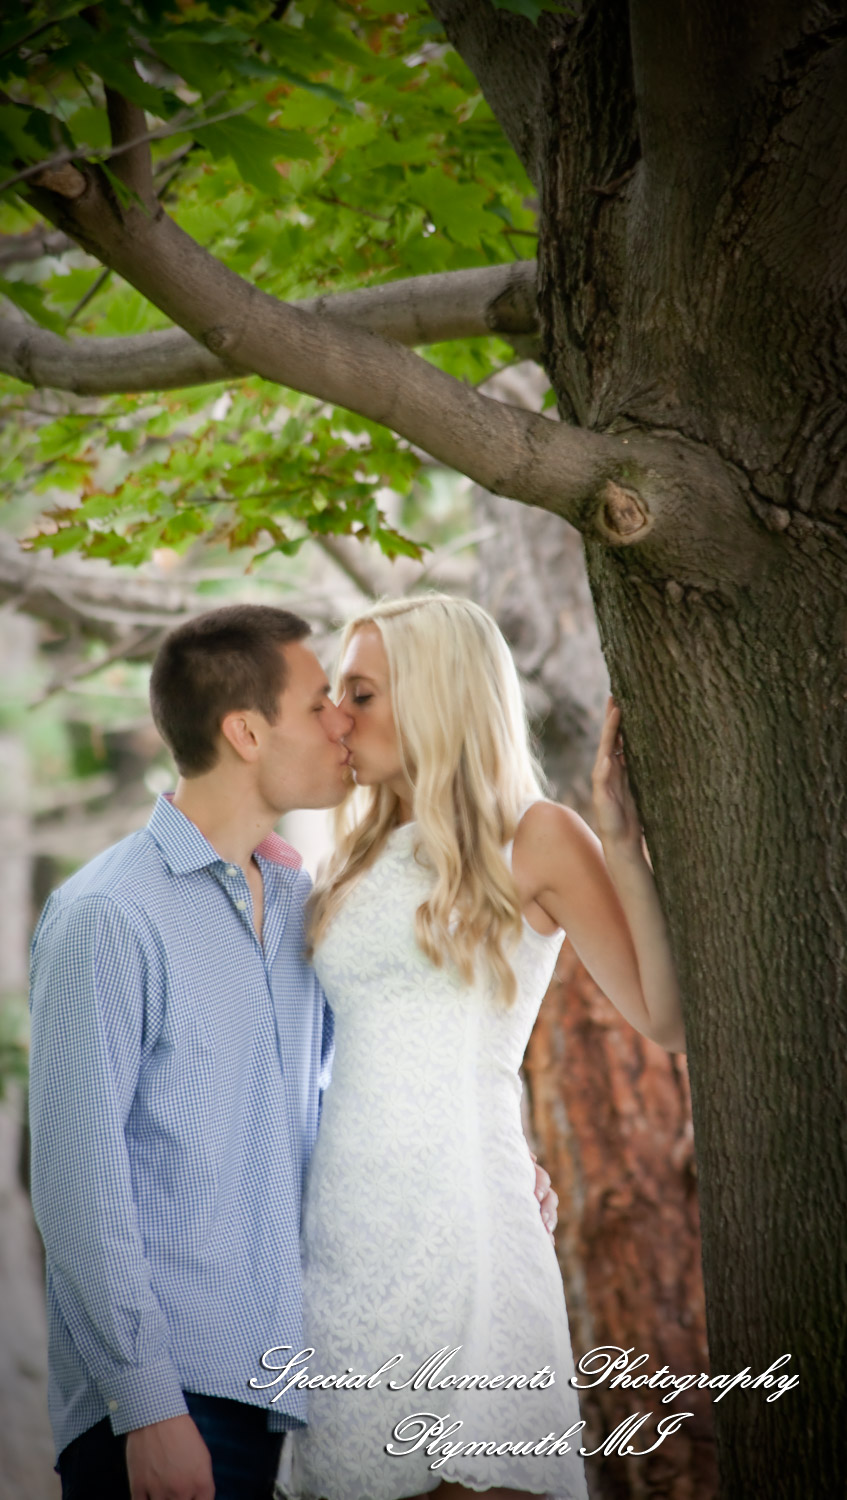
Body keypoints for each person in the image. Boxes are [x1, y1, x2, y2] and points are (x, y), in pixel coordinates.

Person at [28, 599, 564, 1500]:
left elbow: (346, 1085)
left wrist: (489, 1155)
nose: (341, 723)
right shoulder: (108, 915)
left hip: (284, 1387)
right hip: (165, 1400)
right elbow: (76, 1184)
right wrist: (147, 1405)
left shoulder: (296, 908)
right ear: (245, 731)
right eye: (322, 701)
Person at [279, 595, 684, 1500]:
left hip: (464, 1221)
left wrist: (620, 842)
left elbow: (665, 1019)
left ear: (436, 699)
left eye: (362, 693)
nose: (338, 715)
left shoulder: (533, 836)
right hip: (343, 1237)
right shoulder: (343, 859)